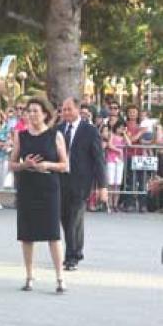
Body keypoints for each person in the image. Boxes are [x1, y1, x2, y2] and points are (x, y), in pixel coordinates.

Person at [9, 98, 68, 293]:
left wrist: (47, 165)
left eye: (35, 111)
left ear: (45, 114)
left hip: (48, 186)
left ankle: (60, 277)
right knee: (27, 234)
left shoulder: (55, 135)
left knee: (53, 233)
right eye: (29, 111)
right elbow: (12, 164)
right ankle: (29, 275)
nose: (31, 114)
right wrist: (24, 165)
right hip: (27, 186)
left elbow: (64, 165)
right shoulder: (21, 135)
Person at [58, 97, 107, 271]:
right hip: (61, 179)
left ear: (78, 110)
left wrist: (103, 187)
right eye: (63, 109)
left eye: (69, 109)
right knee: (64, 218)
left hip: (81, 182)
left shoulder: (90, 130)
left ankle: (72, 256)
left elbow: (99, 159)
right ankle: (74, 250)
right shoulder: (58, 129)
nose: (65, 113)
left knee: (74, 218)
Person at [105, 122, 130, 212]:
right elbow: (109, 144)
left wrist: (125, 134)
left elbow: (129, 144)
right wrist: (118, 150)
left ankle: (115, 204)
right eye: (119, 128)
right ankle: (110, 204)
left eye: (122, 128)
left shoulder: (123, 136)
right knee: (110, 183)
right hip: (111, 160)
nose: (121, 129)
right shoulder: (112, 135)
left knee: (118, 183)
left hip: (120, 161)